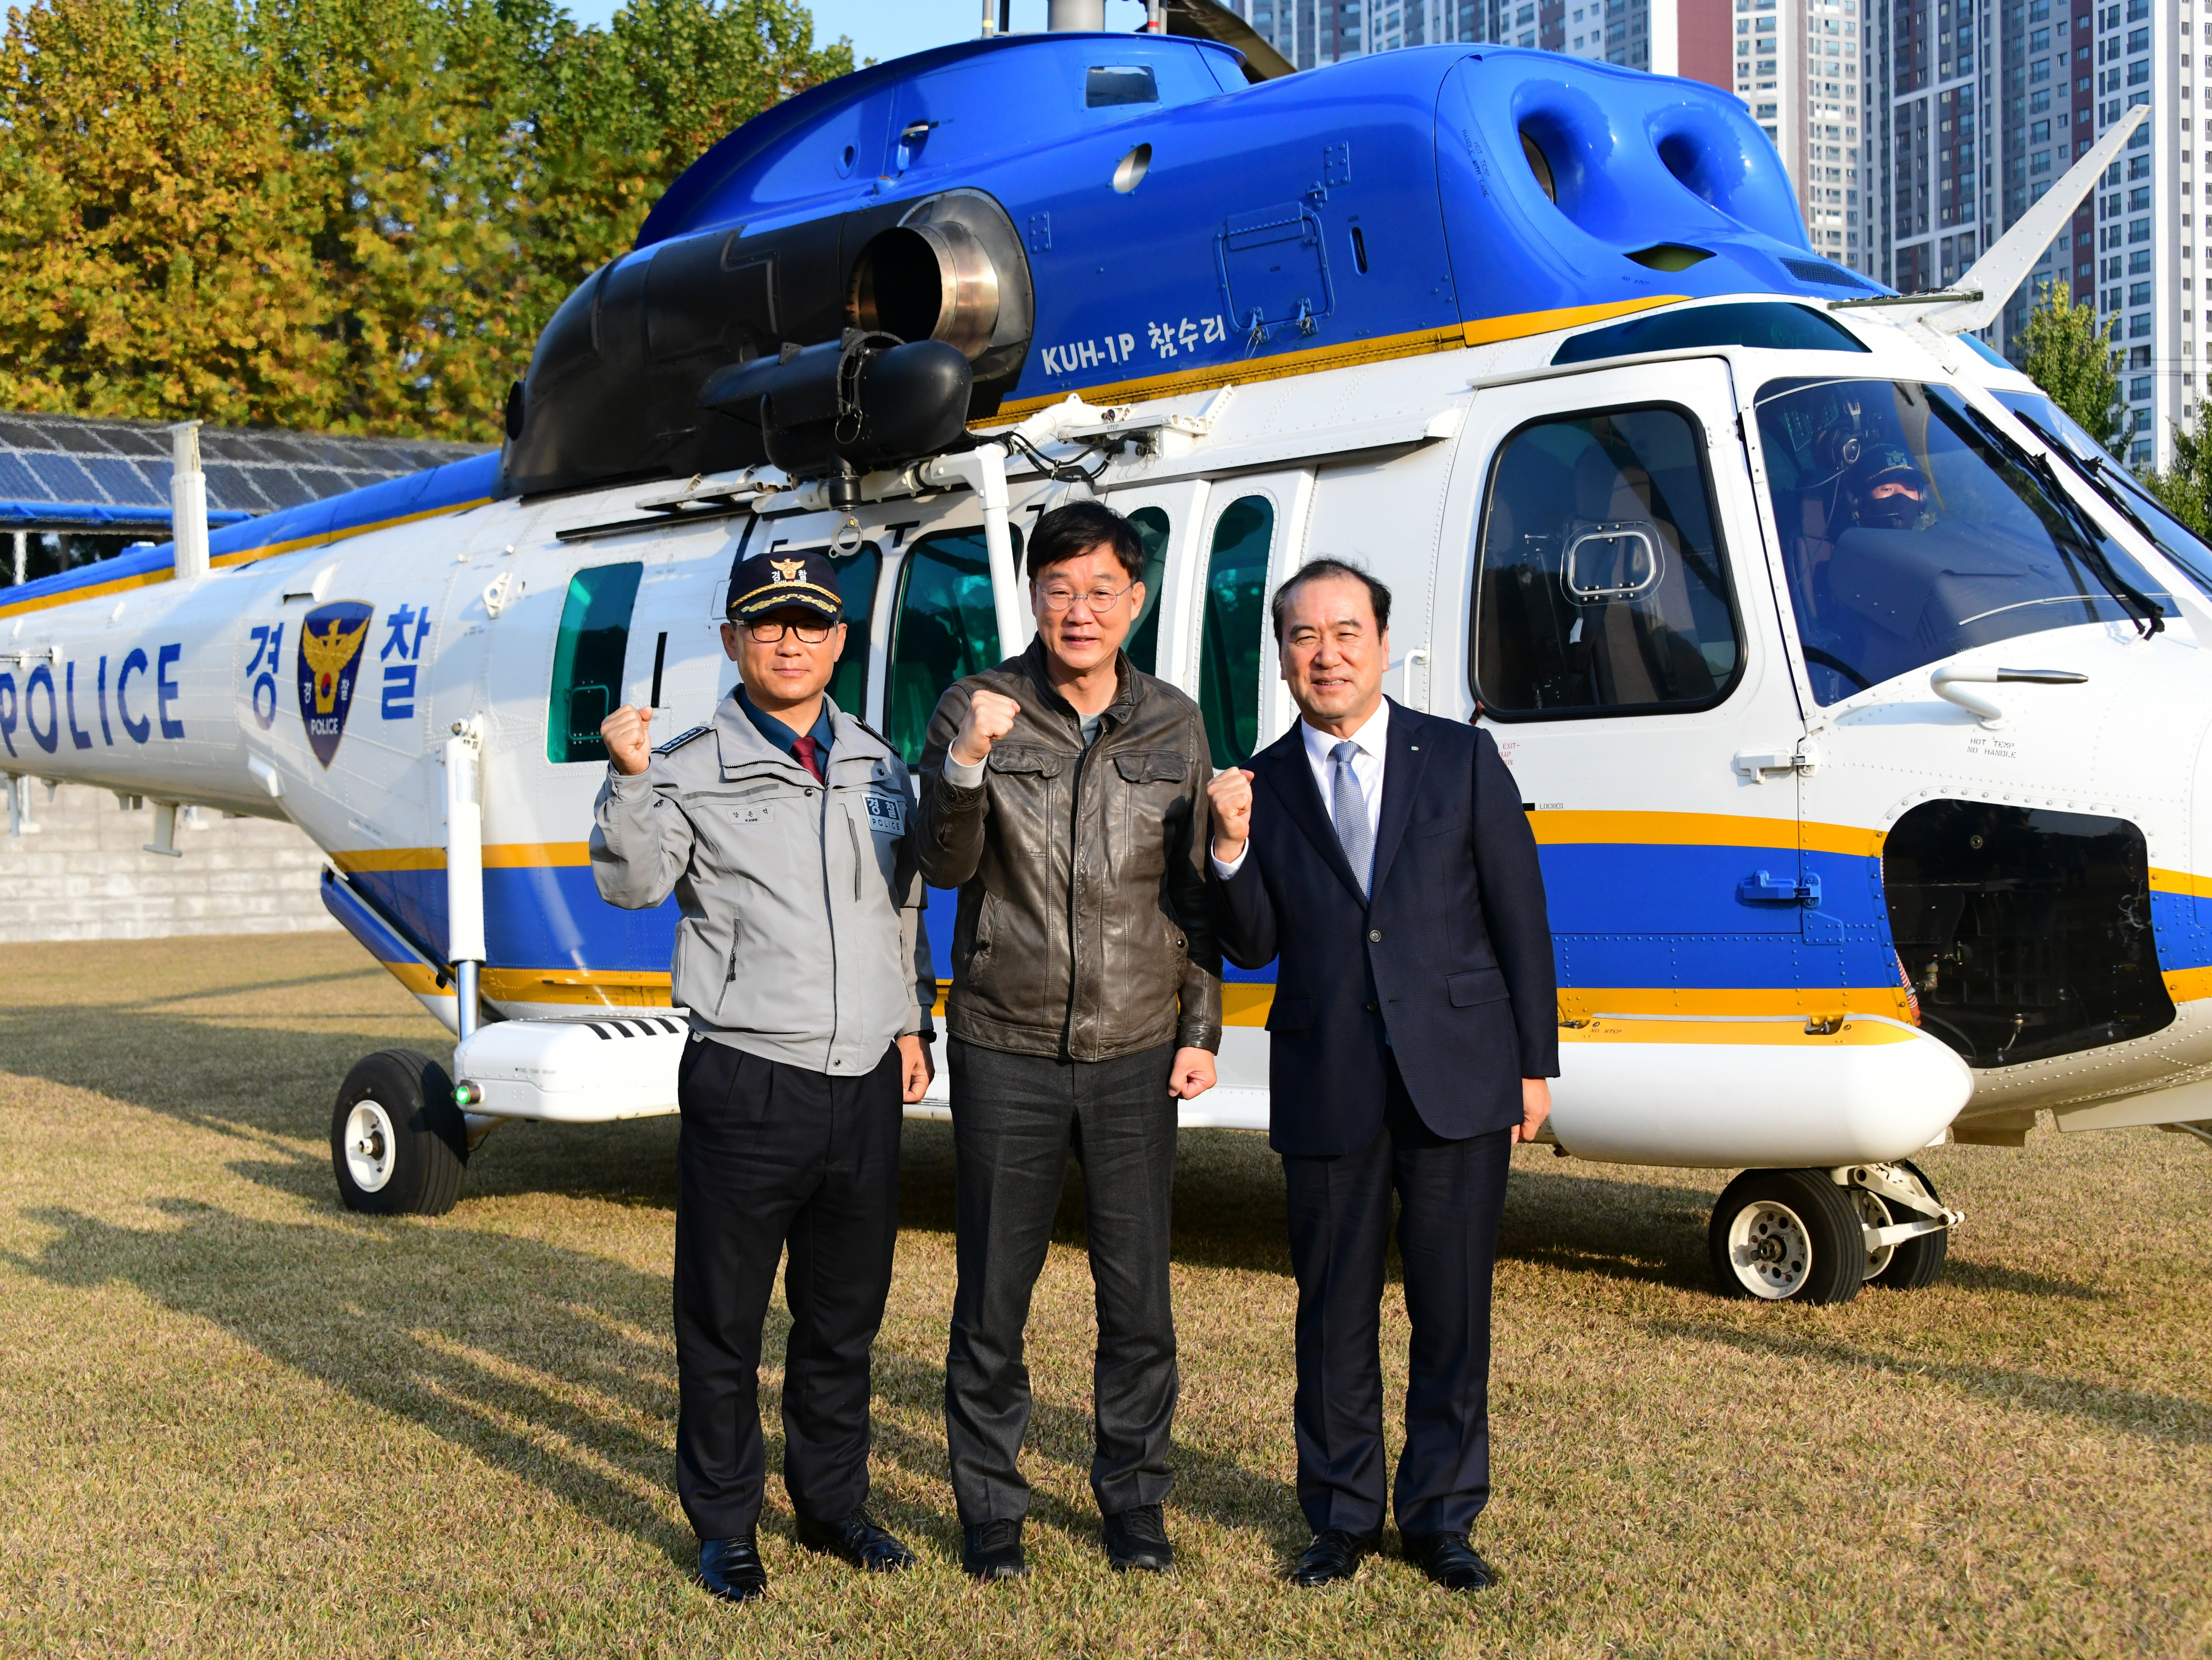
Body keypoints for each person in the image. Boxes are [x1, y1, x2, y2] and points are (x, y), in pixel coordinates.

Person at [590, 545, 937, 1605]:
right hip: (749, 1076)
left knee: (843, 1319)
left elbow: (904, 903)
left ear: (839, 641)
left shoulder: (881, 763)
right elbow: (631, 886)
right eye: (767, 622)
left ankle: (831, 1506)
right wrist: (629, 776)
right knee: (724, 1323)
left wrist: (913, 1018)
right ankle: (727, 1524)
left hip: (867, 1079)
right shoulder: (684, 763)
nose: (791, 639)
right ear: (734, 640)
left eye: (811, 622)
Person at [1203, 558, 1558, 1594]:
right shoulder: (1257, 784)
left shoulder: (1459, 758)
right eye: (1305, 637)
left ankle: (1442, 1518)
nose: (1327, 653)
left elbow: (1518, 920)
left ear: (1382, 642)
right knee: (1332, 1314)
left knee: (1452, 1309)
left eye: (1345, 632)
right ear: (1281, 658)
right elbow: (1255, 940)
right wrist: (1227, 852)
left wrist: (1534, 1063)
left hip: (1458, 1072)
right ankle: (1341, 1515)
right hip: (1328, 1077)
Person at [912, 498, 1223, 1581]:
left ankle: (1133, 1499)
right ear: (1032, 598)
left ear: (1133, 600)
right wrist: (962, 763)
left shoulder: (1172, 723)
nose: (1077, 609)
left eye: (1099, 589)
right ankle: (990, 1506)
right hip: (1005, 1040)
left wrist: (1199, 1023)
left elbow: (1192, 888)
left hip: (1138, 1045)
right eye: (1057, 588)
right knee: (994, 1293)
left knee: (1136, 1295)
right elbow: (943, 866)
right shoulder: (977, 703)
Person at [1845, 443, 1929, 530]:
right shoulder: (1843, 544)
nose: (1901, 496)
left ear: (1922, 499)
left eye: (1909, 489)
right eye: (1887, 489)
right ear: (1857, 500)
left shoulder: (1930, 543)